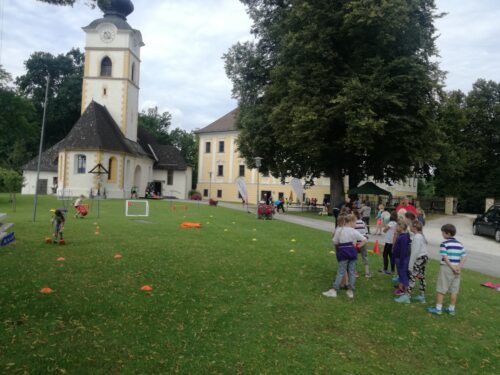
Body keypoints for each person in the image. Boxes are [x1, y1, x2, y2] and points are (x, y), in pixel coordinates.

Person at [322, 214, 367, 299]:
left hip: (343, 253)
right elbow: (364, 239)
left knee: (341, 271)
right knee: (352, 271)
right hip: (352, 253)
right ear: (351, 222)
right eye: (355, 222)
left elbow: (335, 242)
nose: (356, 225)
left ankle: (334, 290)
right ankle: (350, 291)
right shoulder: (354, 231)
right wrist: (358, 246)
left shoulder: (339, 230)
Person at [428, 224, 466, 316]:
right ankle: (451, 309)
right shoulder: (460, 244)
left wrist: (452, 267)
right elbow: (464, 257)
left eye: (443, 232)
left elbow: (445, 257)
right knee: (454, 290)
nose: (442, 234)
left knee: (441, 288)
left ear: (447, 233)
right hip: (457, 269)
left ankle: (438, 309)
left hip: (447, 268)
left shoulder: (444, 244)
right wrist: (459, 267)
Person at [395, 220, 428, 303]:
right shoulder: (420, 235)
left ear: (414, 227)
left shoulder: (417, 237)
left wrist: (410, 266)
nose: (409, 228)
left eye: (411, 227)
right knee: (421, 276)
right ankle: (421, 296)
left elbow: (415, 252)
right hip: (424, 258)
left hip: (419, 258)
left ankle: (407, 296)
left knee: (412, 277)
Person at [393, 221, 411, 297]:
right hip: (399, 258)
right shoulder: (402, 235)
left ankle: (406, 292)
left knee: (403, 274)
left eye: (397, 226)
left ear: (401, 227)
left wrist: (401, 260)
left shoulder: (403, 237)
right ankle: (401, 288)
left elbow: (403, 250)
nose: (396, 228)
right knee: (401, 274)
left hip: (402, 259)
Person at [353, 209, 371, 278]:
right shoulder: (363, 223)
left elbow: (353, 234)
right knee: (365, 257)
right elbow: (366, 233)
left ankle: (354, 272)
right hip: (363, 242)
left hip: (356, 244)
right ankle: (367, 273)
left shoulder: (353, 224)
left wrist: (357, 244)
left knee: (354, 258)